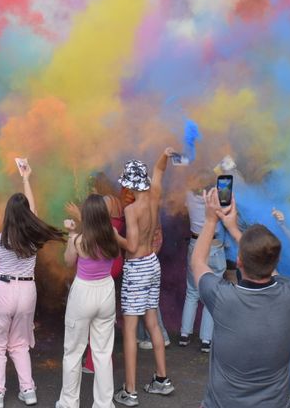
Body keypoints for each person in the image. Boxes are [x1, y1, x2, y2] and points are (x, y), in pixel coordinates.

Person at [192, 189, 290, 408]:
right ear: (276, 261)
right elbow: (267, 264)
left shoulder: (224, 299)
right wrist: (233, 228)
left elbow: (197, 263)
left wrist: (211, 221)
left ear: (239, 261)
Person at [0, 160, 65, 407]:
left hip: (3, 289)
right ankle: (28, 391)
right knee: (19, 343)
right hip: (28, 291)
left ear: (7, 214)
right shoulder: (34, 235)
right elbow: (34, 213)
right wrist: (26, 178)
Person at [115, 150, 176, 406]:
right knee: (152, 322)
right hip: (153, 263)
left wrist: (111, 235)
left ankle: (129, 391)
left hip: (137, 267)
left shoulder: (131, 210)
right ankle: (162, 380)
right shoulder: (154, 197)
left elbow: (129, 245)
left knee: (130, 330)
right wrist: (163, 155)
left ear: (129, 183)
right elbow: (160, 170)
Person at [57, 194, 128, 408]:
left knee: (73, 351)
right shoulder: (113, 234)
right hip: (106, 290)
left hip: (83, 293)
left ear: (86, 215)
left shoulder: (80, 239)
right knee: (103, 352)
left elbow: (68, 262)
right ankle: (104, 404)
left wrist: (71, 234)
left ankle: (69, 403)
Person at [179, 171, 226, 352]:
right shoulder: (216, 198)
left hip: (194, 244)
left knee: (192, 291)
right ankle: (206, 340)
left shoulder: (188, 195)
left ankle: (184, 334)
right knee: (211, 295)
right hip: (214, 245)